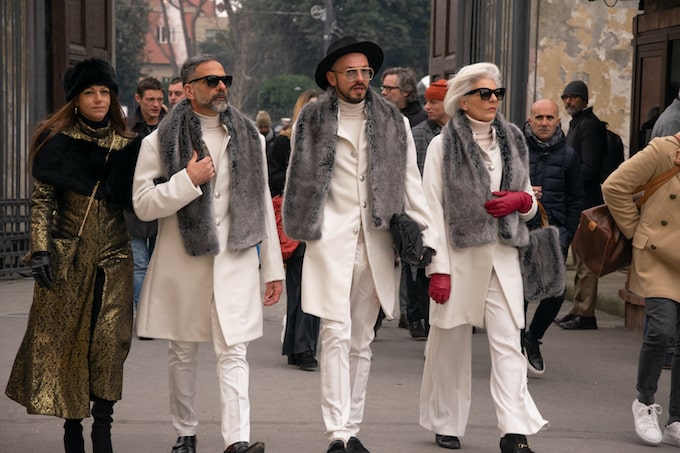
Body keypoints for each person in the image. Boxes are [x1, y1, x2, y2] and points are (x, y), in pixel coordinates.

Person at [282, 36, 436, 453]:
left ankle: (352, 427)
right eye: (351, 72)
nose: (360, 79)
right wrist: (298, 230)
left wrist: (425, 236)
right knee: (333, 333)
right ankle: (337, 432)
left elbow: (411, 184)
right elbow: (297, 182)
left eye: (366, 72)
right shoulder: (311, 120)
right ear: (332, 78)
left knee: (362, 339)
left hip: (378, 242)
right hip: (331, 242)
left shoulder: (393, 121)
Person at [132, 54, 285, 453]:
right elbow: (143, 205)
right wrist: (187, 180)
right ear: (187, 88)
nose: (221, 87)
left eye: (224, 79)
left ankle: (237, 441)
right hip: (183, 264)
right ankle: (185, 431)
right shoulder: (158, 139)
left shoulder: (252, 135)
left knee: (234, 351)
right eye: (211, 80)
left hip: (233, 263)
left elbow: (263, 204)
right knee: (182, 352)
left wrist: (272, 268)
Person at [5, 58, 140, 453]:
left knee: (109, 347)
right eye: (89, 92)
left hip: (114, 262)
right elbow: (42, 201)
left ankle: (103, 429)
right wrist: (41, 251)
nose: (98, 99)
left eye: (104, 92)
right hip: (67, 264)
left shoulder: (127, 146)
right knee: (69, 346)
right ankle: (72, 428)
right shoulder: (57, 143)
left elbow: (145, 200)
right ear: (75, 100)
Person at [419, 62, 548, 452]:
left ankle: (513, 430)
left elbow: (527, 202)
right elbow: (429, 210)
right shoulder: (443, 145)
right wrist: (437, 268)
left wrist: (523, 201)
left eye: (498, 93)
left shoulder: (513, 140)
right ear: (463, 100)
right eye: (485, 94)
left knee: (510, 341)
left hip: (503, 258)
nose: (493, 100)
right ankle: (446, 423)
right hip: (457, 260)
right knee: (450, 343)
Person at [601, 132, 680, 447]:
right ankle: (644, 402)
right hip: (658, 255)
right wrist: (635, 231)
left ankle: (676, 419)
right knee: (660, 330)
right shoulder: (663, 150)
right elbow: (614, 186)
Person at [522, 99, 584, 375]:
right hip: (519, 231)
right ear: (530, 119)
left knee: (556, 293)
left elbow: (576, 199)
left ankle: (532, 338)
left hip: (554, 232)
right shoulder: (515, 150)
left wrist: (567, 233)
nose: (544, 122)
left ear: (558, 121)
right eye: (539, 117)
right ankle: (513, 345)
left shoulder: (569, 156)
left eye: (550, 118)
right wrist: (524, 194)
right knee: (518, 293)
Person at [267, 88, 321, 370]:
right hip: (293, 224)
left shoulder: (326, 143)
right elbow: (271, 180)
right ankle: (303, 349)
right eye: (309, 107)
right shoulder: (283, 143)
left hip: (321, 224)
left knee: (314, 288)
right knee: (300, 288)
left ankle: (299, 347)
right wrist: (296, 176)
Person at [556, 80, 608, 331]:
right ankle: (578, 308)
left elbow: (590, 168)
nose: (568, 101)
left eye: (574, 97)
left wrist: (564, 175)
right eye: (566, 97)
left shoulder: (589, 126)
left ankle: (586, 313)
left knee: (587, 260)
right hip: (577, 202)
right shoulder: (578, 124)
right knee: (579, 260)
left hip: (587, 204)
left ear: (585, 100)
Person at [406, 78, 451, 340]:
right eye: (427, 100)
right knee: (418, 267)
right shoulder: (418, 134)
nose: (427, 106)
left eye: (434, 101)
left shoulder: (460, 133)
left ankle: (439, 321)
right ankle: (415, 316)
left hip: (450, 214)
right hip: (422, 210)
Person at [125, 77, 165, 328]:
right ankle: (144, 314)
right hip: (134, 205)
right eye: (150, 99)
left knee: (159, 265)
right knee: (139, 264)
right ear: (138, 99)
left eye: (160, 100)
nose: (156, 105)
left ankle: (156, 312)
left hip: (165, 203)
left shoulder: (170, 126)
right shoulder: (128, 129)